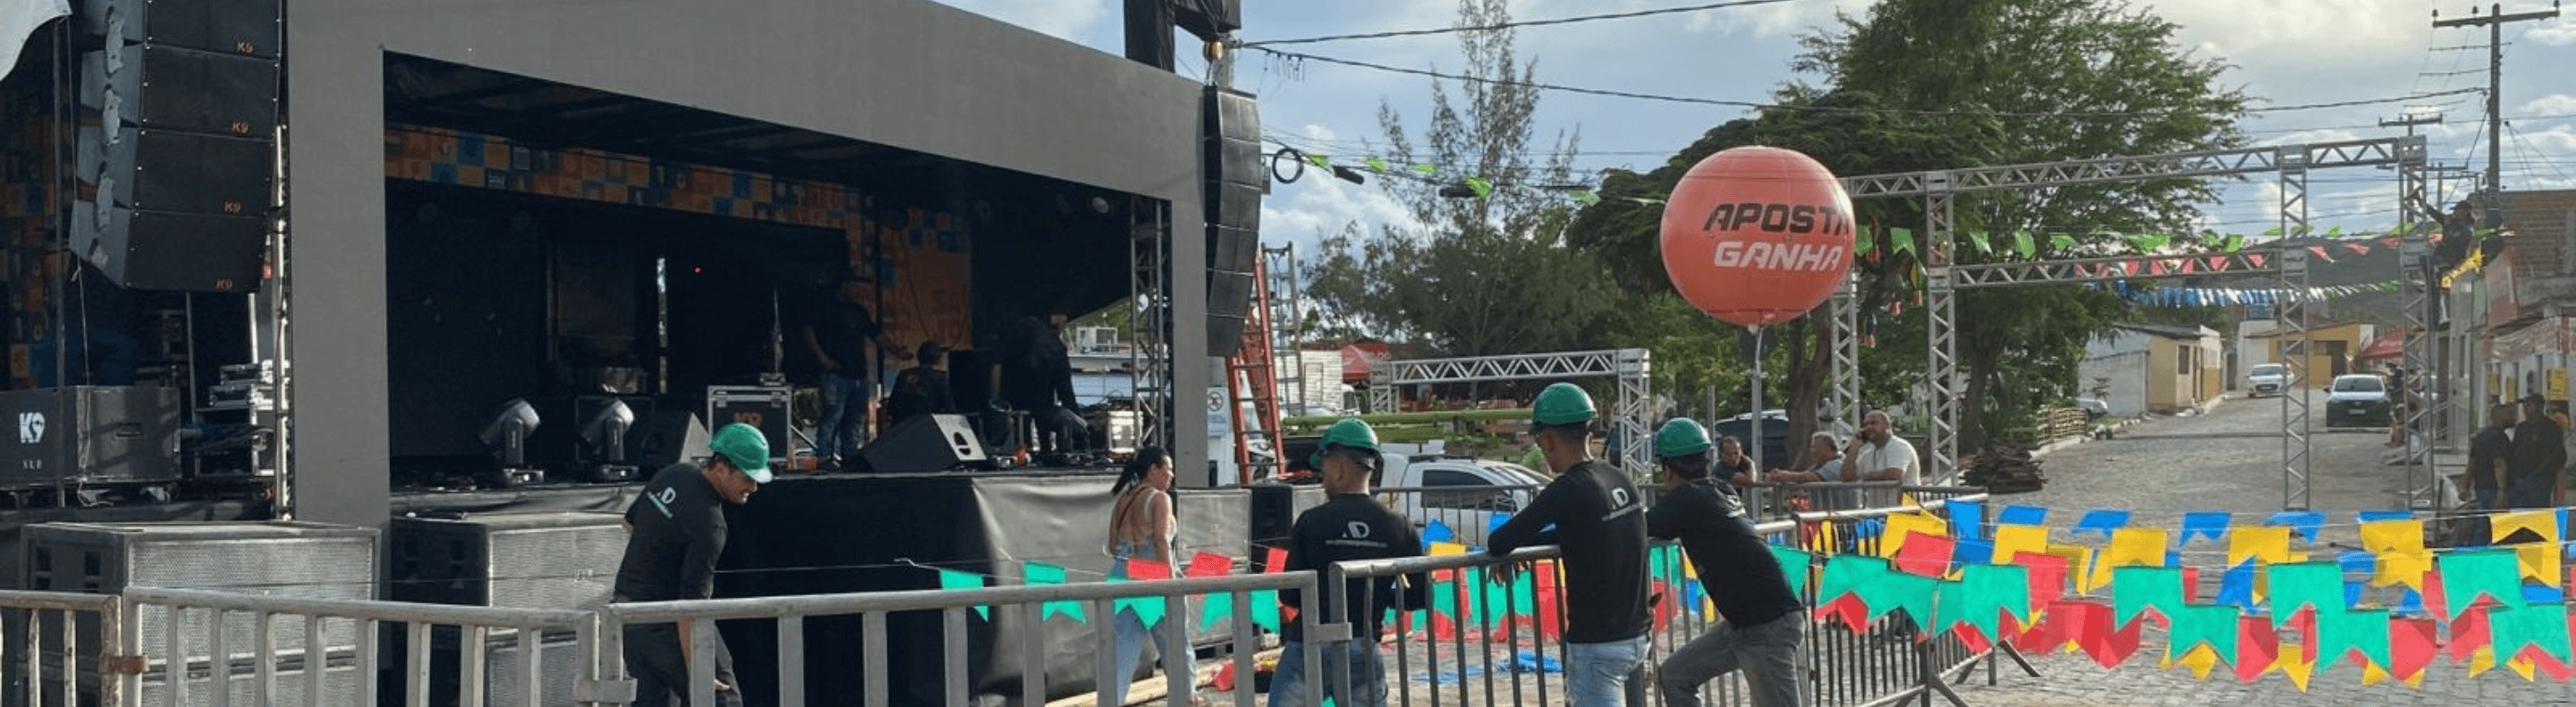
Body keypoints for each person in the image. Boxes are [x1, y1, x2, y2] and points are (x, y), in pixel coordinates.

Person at [1485, 383, 1650, 707]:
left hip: (1598, 642)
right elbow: (1585, 532)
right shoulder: (1619, 478)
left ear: (1547, 440)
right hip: (1636, 633)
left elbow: (1500, 539)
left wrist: (1512, 550)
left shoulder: (1568, 488)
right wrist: (1526, 546)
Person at [1640, 419, 1806, 707]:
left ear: (1667, 470)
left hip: (1767, 624)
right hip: (1744, 623)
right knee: (1675, 676)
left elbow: (1636, 527)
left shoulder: (1686, 500)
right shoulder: (1719, 489)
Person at [614, 422, 773, 707]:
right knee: (720, 700)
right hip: (664, 619)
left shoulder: (673, 473)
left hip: (627, 613)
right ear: (721, 468)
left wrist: (659, 556)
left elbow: (629, 523)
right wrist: (699, 669)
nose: (753, 487)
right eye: (747, 477)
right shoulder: (711, 525)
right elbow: (691, 608)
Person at [1272, 419, 1428, 707]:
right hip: (1364, 644)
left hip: (1309, 644)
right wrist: (1380, 595)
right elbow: (1419, 596)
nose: (1323, 480)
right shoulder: (1398, 525)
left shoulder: (1311, 521)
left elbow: (1290, 593)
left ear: (1338, 468)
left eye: (1324, 470)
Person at [1102, 447, 1199, 706]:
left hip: (1121, 572)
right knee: (1176, 643)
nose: (1172, 475)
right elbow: (1160, 540)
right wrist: (1170, 580)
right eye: (1168, 469)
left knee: (1121, 651)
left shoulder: (1123, 499)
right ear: (1154, 470)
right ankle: (1185, 700)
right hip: (1153, 572)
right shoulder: (1159, 499)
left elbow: (1112, 545)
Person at [801, 274, 908, 471]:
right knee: (832, 417)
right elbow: (808, 332)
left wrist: (896, 350)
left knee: (853, 419)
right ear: (844, 285)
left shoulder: (858, 311)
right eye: (853, 284)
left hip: (858, 374)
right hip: (836, 373)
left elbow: (875, 334)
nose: (857, 289)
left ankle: (848, 458)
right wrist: (823, 359)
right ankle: (824, 459)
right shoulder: (827, 307)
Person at [1005, 308, 1080, 455]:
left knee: (1022, 423)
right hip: (1042, 396)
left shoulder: (1019, 334)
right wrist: (1078, 420)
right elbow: (1065, 390)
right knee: (1044, 421)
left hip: (1017, 395)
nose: (1064, 323)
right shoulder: (1054, 346)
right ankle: (1047, 450)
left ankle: (1023, 449)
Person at [2506, 394, 2564, 509]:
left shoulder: (2551, 428)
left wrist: (2559, 494)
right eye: (2524, 405)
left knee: (2537, 515)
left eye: (2529, 405)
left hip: (2540, 480)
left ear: (2540, 406)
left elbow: (2559, 459)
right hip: (2518, 480)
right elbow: (2513, 453)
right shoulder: (2522, 428)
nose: (2525, 409)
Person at [884, 342, 956, 428]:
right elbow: (950, 408)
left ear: (918, 356)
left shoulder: (904, 374)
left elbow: (892, 406)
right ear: (936, 358)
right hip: (926, 427)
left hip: (902, 427)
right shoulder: (939, 377)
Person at [1841, 410, 1920, 486]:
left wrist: (1867, 476)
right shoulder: (1868, 453)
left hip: (1906, 496)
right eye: (1865, 425)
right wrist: (1854, 447)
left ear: (1887, 425)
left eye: (1873, 423)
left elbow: (1895, 474)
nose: (1868, 427)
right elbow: (1847, 477)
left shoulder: (1898, 445)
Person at [2467, 403, 2514, 509]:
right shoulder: (2500, 438)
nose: (2514, 418)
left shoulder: (2480, 437)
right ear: (2500, 417)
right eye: (2510, 414)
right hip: (2494, 489)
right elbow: (2499, 463)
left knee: (2482, 517)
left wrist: (2466, 485)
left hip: (2480, 487)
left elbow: (2472, 463)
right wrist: (2502, 489)